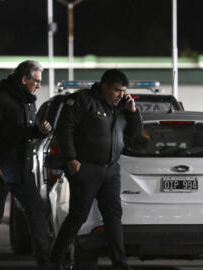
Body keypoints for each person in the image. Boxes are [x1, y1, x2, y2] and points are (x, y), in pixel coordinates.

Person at [49, 69, 143, 270]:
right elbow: (65, 129)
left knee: (113, 216)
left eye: (123, 91)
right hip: (86, 168)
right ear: (104, 87)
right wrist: (71, 159)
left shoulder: (121, 108)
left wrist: (133, 111)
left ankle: (120, 263)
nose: (120, 95)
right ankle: (55, 259)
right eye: (117, 90)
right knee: (78, 215)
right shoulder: (84, 101)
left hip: (110, 170)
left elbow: (135, 134)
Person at [0, 60, 52, 269]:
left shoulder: (29, 102)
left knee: (36, 211)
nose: (38, 85)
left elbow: (22, 133)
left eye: (39, 82)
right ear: (24, 79)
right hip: (1, 169)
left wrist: (40, 131)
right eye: (36, 81)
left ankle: (45, 261)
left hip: (22, 170)